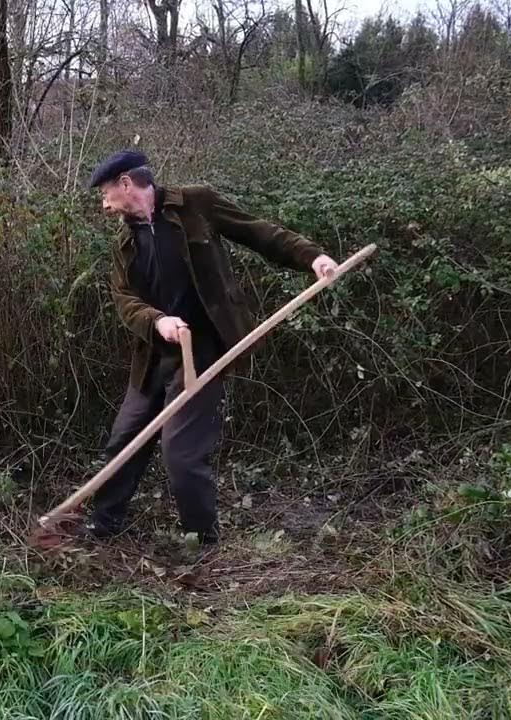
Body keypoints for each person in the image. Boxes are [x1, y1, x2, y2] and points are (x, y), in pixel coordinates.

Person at [84, 149, 339, 547]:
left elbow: (259, 231)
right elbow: (124, 300)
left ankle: (201, 542)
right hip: (153, 354)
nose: (103, 204)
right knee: (123, 441)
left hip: (202, 351)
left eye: (105, 193)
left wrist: (313, 257)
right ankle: (102, 526)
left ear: (126, 184)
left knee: (181, 455)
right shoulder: (124, 244)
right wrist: (158, 321)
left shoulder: (196, 204)